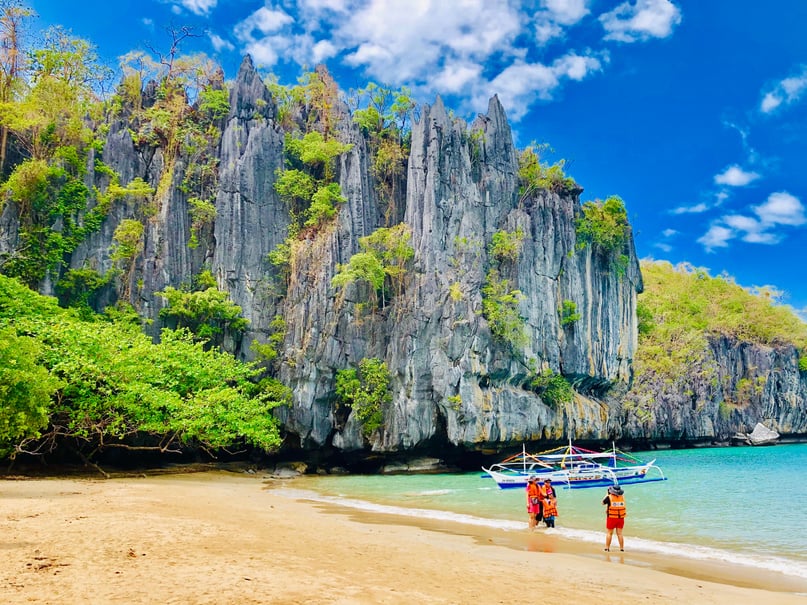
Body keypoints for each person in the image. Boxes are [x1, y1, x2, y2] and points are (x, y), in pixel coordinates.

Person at [602, 484, 626, 551]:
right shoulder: (622, 497)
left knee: (609, 533)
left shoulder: (609, 497)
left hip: (611, 518)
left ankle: (607, 548)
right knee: (620, 534)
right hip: (620, 518)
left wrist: (607, 494)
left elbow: (602, 503)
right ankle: (621, 548)